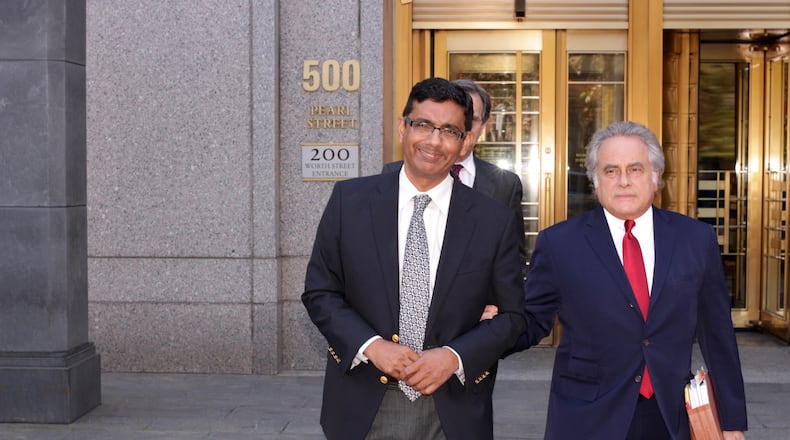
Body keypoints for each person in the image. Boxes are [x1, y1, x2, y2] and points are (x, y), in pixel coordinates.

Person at [302, 77, 527, 440]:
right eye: (423, 124)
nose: (434, 141)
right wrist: (371, 346)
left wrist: (454, 355)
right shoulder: (350, 203)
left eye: (450, 130)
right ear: (402, 127)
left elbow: (514, 316)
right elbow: (320, 293)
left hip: (454, 406)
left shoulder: (492, 220)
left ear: (465, 139)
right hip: (363, 401)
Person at [513, 121, 747, 439]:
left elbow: (717, 335)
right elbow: (531, 321)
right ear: (596, 182)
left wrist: (732, 421)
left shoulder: (695, 239)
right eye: (611, 171)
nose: (623, 181)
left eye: (635, 169)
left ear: (656, 178)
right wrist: (494, 324)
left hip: (670, 414)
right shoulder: (559, 244)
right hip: (587, 416)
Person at [383, 79, 526, 279]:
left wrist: (498, 306)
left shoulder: (505, 185)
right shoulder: (391, 176)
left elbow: (513, 262)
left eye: (472, 120)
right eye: (425, 125)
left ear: (483, 125)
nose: (436, 139)